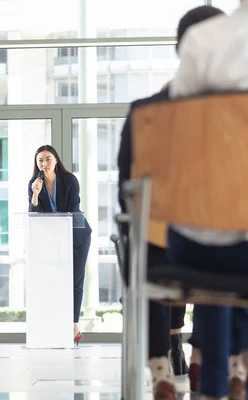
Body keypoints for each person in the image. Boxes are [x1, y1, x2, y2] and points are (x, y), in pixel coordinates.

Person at [117, 6, 227, 398]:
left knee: (147, 243)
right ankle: (223, 365)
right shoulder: (240, 117)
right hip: (235, 256)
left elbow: (125, 195)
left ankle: (161, 372)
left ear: (182, 49)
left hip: (163, 257)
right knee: (226, 248)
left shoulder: (147, 114)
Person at [168, 2, 248, 399]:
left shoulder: (205, 41)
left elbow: (177, 143)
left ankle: (214, 383)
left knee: (215, 241)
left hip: (206, 241)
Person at [28, 144, 92, 345]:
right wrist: (36, 195)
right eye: (40, 160)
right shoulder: (33, 184)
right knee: (56, 281)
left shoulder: (69, 180)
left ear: (56, 161)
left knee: (75, 280)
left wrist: (62, 236)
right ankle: (57, 325)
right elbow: (33, 214)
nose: (44, 163)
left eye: (48, 159)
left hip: (77, 234)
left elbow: (73, 210)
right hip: (54, 238)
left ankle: (73, 325)